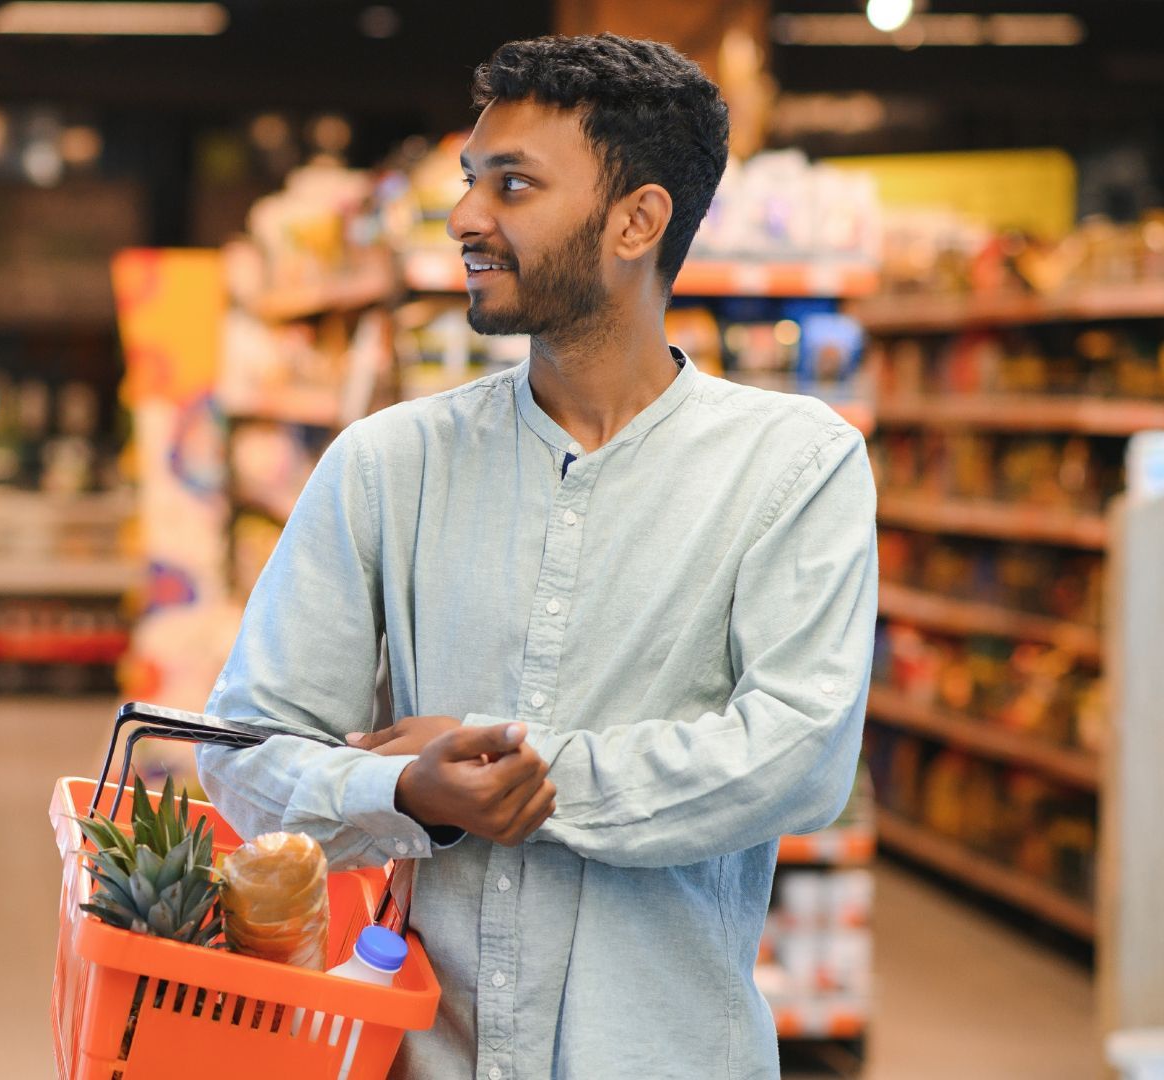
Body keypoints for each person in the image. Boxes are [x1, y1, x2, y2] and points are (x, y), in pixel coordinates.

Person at [197, 33, 876, 1080]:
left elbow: (797, 759)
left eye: (513, 185)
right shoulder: (386, 464)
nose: (467, 216)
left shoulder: (795, 467)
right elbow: (241, 754)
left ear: (636, 221)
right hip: (417, 1055)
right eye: (472, 180)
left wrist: (531, 773)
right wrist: (412, 795)